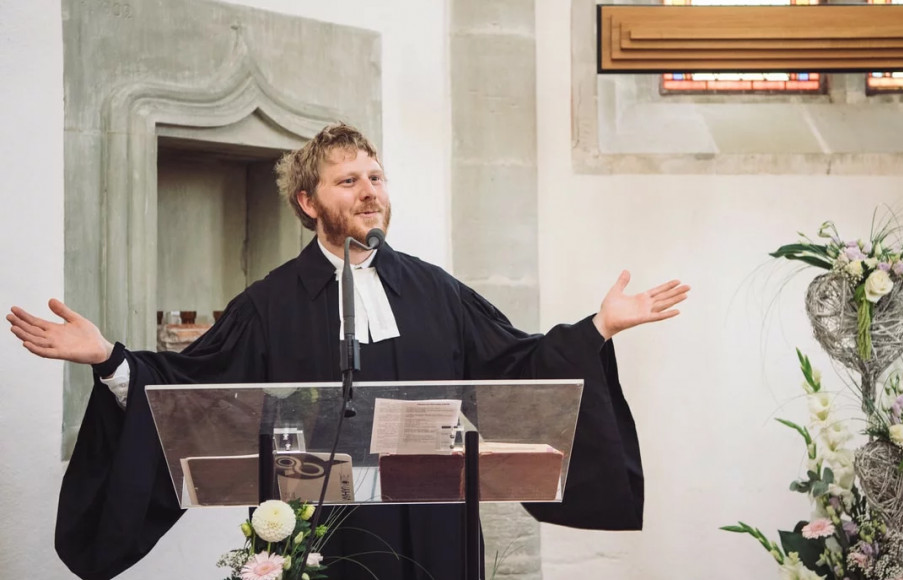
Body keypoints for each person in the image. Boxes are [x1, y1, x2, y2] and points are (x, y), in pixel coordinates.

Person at [7, 123, 690, 580]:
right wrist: (109, 360)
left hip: (438, 521)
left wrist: (595, 329)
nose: (370, 191)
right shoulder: (269, 304)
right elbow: (192, 389)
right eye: (349, 181)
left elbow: (515, 365)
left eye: (377, 177)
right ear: (308, 202)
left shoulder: (435, 290)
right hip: (327, 527)